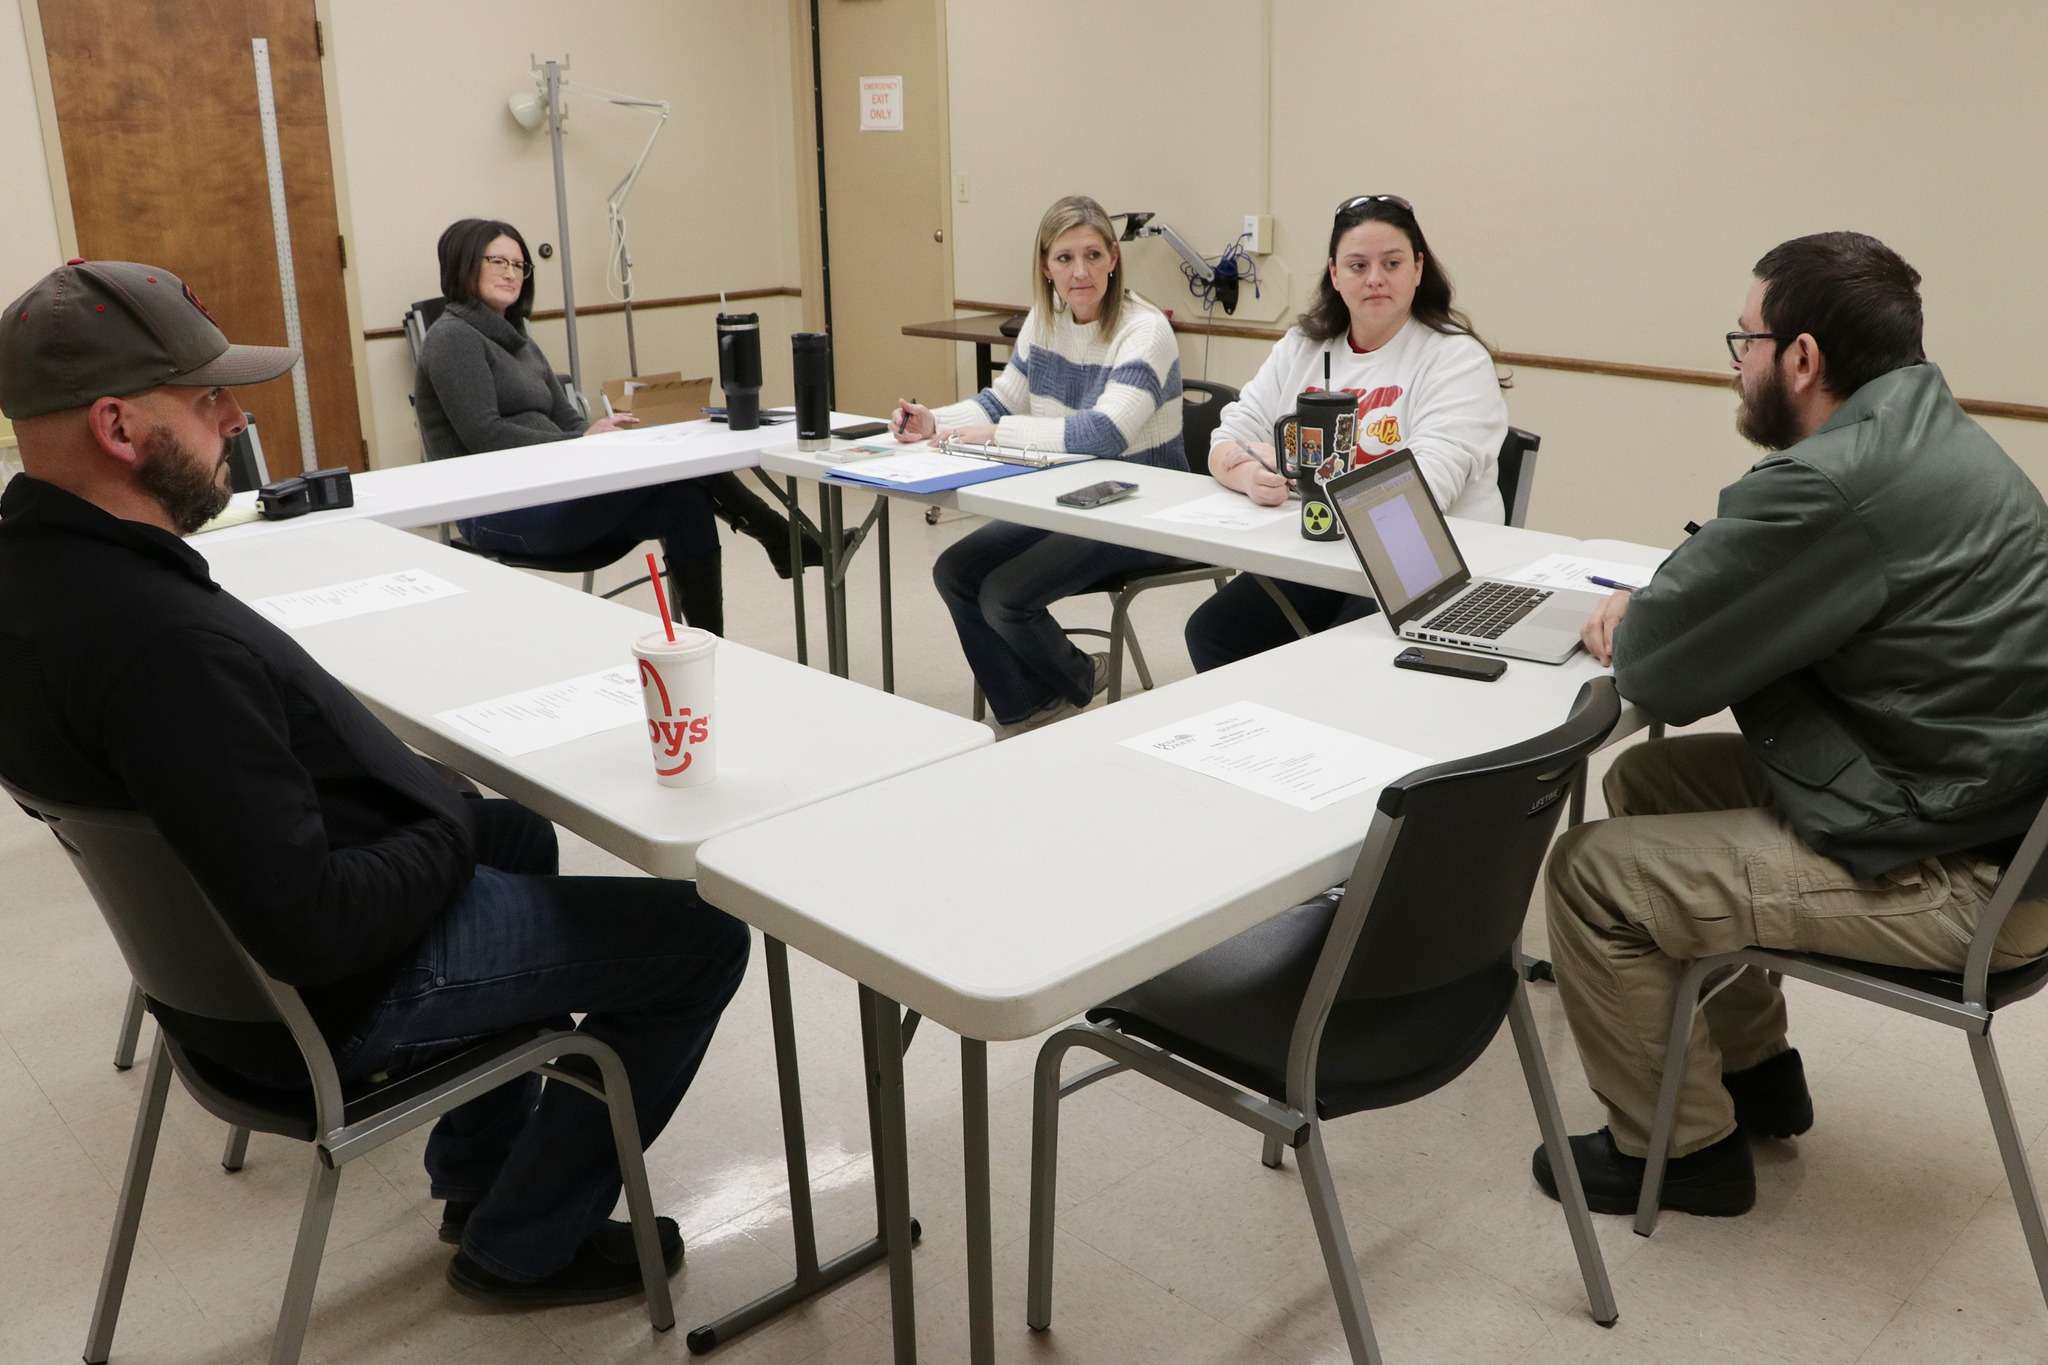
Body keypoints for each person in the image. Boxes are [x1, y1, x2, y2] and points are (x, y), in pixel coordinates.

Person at [0, 259, 751, 1306]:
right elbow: (312, 926)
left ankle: (476, 1177)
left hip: (216, 980)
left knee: (519, 837)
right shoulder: (162, 645)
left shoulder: (38, 582)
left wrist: (439, 811)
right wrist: (440, 817)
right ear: (121, 430)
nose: (232, 421)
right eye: (208, 400)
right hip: (320, 1000)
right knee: (699, 940)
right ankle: (523, 1245)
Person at [1533, 232, 2048, 1219]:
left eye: (1744, 341)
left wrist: (1642, 616)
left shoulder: (1832, 481)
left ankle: (1678, 1156)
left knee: (1592, 873)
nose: (1735, 364)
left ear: (1800, 359)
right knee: (1647, 783)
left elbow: (1657, 661)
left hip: (1972, 877)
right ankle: (1754, 1071)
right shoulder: (1931, 434)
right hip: (1973, 807)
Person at [414, 218, 818, 635]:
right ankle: (781, 538)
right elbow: (486, 436)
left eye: (519, 265)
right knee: (677, 471)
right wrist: (580, 441)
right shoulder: (452, 338)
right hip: (499, 510)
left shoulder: (516, 337)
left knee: (683, 496)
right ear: (464, 263)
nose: (511, 273)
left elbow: (564, 413)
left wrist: (599, 430)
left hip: (553, 485)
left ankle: (706, 646)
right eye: (498, 261)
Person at [893, 195, 1185, 735]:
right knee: (954, 571)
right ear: (1045, 265)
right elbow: (1002, 401)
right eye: (1065, 258)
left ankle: (1077, 676)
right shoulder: (1044, 321)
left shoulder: (1145, 331)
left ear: (1114, 258)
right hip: (1067, 498)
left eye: (1093, 255)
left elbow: (1103, 434)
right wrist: (935, 422)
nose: (1081, 272)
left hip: (1144, 506)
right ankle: (1025, 704)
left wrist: (996, 434)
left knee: (1004, 596)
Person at [1185, 195, 1508, 672]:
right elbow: (1229, 435)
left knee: (1346, 658)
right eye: (1358, 265)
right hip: (1320, 552)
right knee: (1214, 633)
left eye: (1392, 263)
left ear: (1418, 268)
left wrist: (1299, 470)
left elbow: (1424, 491)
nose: (1374, 278)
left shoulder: (1456, 359)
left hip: (1423, 564)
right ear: (1335, 275)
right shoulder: (1304, 347)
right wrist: (1251, 475)